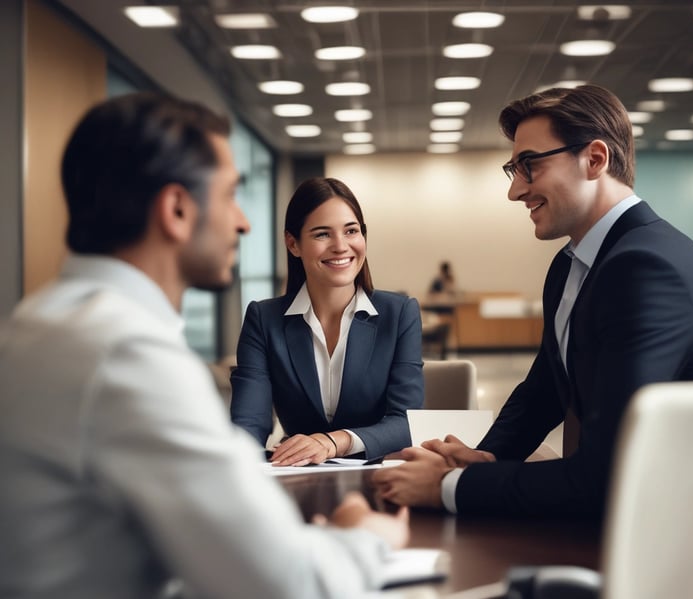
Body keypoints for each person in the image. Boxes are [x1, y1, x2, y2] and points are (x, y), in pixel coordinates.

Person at [0, 92, 408, 599]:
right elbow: (291, 586)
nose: (243, 221)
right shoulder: (127, 354)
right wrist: (362, 537)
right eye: (230, 195)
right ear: (175, 209)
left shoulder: (35, 324)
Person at [372, 84, 693, 518]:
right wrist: (488, 456)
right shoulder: (573, 263)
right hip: (629, 509)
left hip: (667, 532)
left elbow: (607, 477)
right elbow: (544, 389)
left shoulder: (646, 268)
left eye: (529, 166)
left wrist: (449, 486)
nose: (515, 191)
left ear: (595, 159)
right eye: (513, 169)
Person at [230, 177, 424, 465]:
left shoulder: (399, 314)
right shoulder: (263, 319)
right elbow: (248, 424)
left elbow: (406, 423)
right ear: (293, 243)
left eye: (351, 231)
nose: (340, 246)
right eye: (322, 234)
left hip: (379, 475)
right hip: (298, 477)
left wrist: (334, 441)